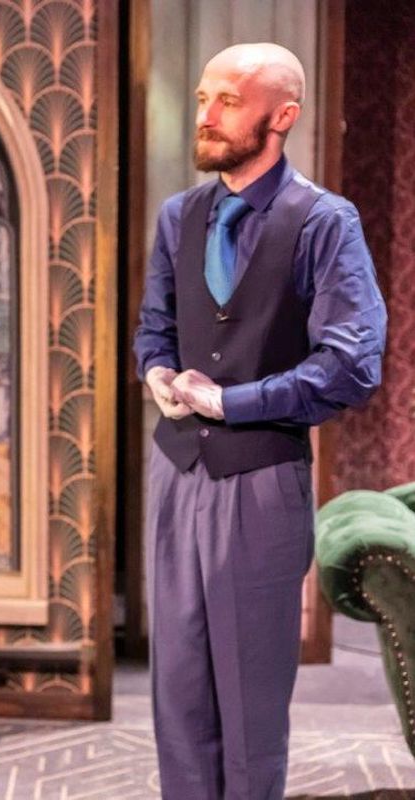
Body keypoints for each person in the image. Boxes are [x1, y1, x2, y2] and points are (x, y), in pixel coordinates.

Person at [134, 42, 386, 799]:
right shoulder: (178, 216)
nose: (205, 115)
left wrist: (232, 402)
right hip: (175, 473)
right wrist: (155, 372)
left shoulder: (323, 223)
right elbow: (155, 326)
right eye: (203, 96)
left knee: (247, 703)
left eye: (226, 102)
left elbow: (350, 365)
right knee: (175, 692)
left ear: (281, 117)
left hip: (260, 480)